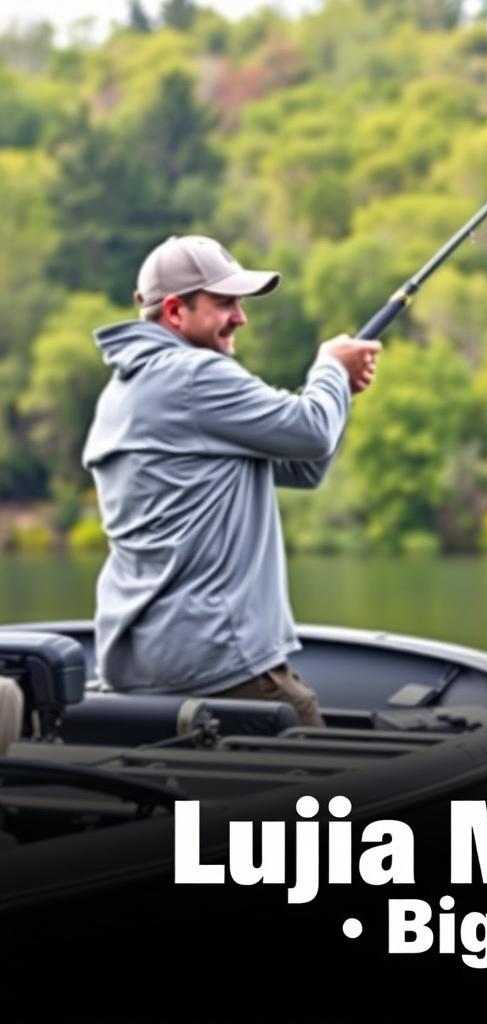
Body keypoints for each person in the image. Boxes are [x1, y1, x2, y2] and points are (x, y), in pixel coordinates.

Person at [82, 235, 381, 727]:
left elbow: (305, 463)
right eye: (225, 303)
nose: (240, 316)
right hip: (218, 662)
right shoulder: (194, 376)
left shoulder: (127, 389)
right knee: (327, 792)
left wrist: (339, 393)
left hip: (143, 663)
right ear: (176, 312)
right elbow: (311, 431)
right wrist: (329, 369)